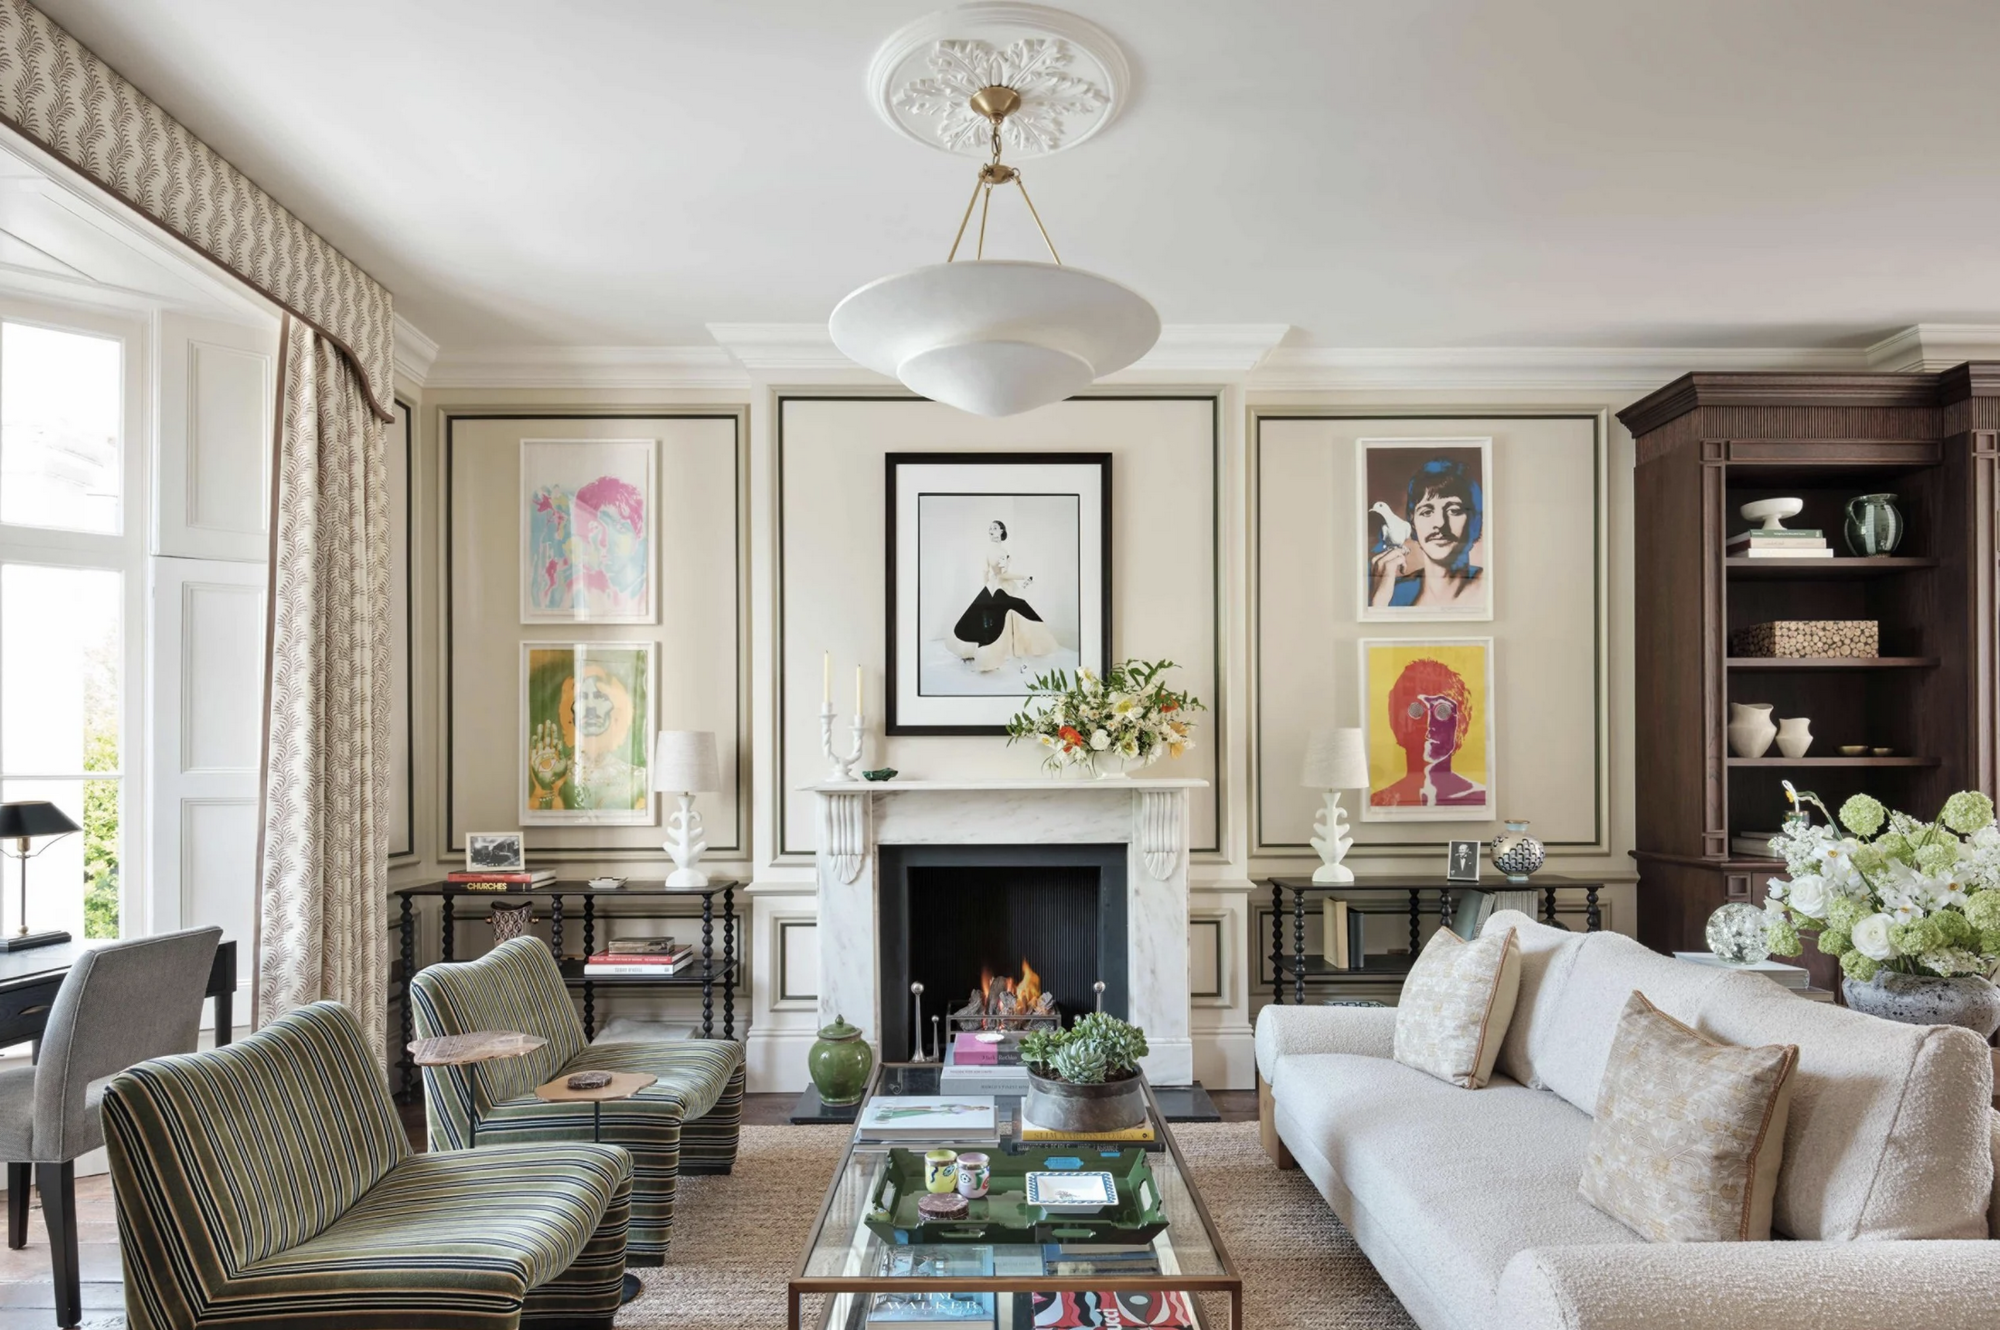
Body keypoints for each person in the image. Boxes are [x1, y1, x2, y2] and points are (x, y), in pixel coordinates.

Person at [1368, 457, 1484, 611]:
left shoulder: (1493, 588)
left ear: (1474, 519)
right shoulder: (1390, 594)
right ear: (1413, 523)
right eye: (1427, 512)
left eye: (1454, 511)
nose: (1440, 523)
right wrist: (1377, 604)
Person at [1371, 657, 1485, 808]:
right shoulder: (1379, 802)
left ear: (1461, 722)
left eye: (1442, 711)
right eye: (1416, 710)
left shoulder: (1480, 798)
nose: (1428, 723)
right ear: (1395, 719)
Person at [949, 520, 1058, 673]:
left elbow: (987, 573)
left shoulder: (998, 550)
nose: (991, 531)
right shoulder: (996, 551)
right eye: (990, 529)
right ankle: (989, 658)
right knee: (999, 621)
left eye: (994, 528)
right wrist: (1023, 576)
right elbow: (999, 573)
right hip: (1000, 587)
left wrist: (988, 587)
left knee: (1007, 619)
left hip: (997, 586)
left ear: (1001, 530)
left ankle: (1000, 652)